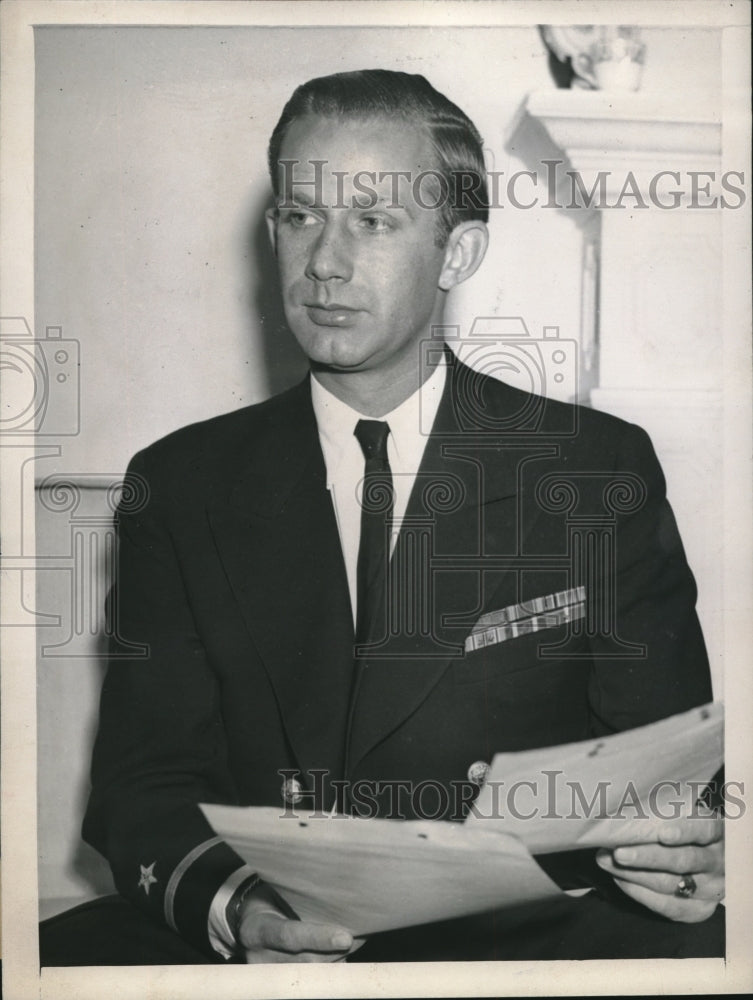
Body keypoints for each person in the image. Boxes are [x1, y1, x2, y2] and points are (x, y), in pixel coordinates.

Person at [40, 69, 724, 966]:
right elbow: (140, 787)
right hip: (273, 932)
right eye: (297, 215)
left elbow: (675, 774)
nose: (323, 260)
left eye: (371, 220)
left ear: (456, 253)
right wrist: (242, 912)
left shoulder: (595, 469)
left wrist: (688, 854)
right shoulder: (180, 483)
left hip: (526, 948)